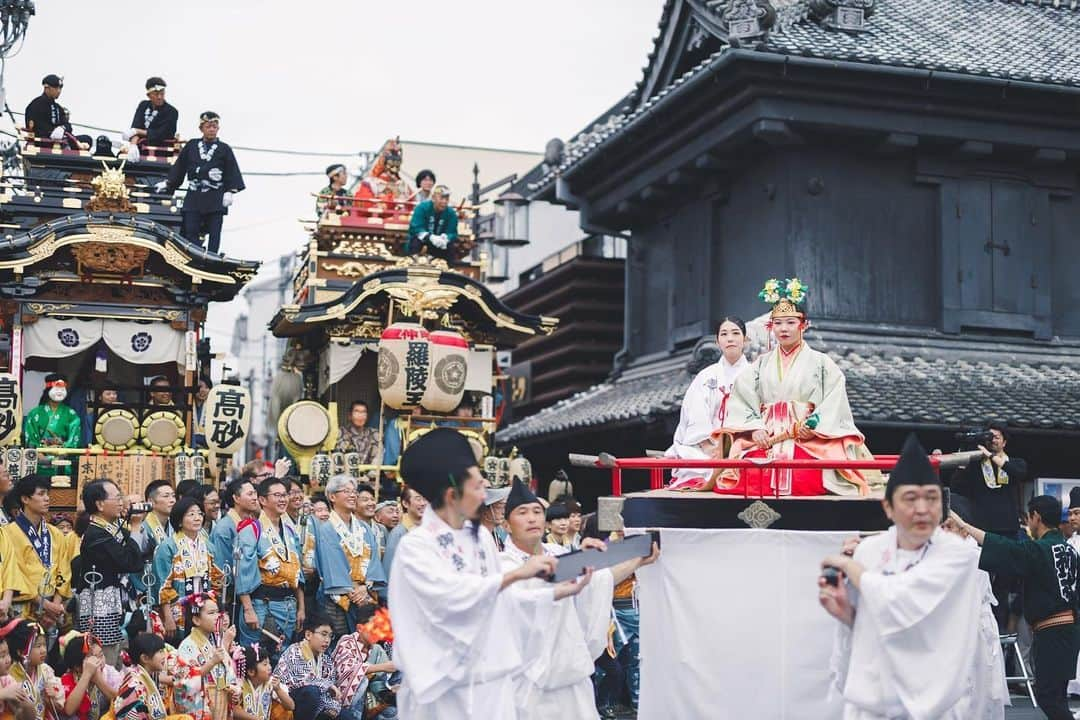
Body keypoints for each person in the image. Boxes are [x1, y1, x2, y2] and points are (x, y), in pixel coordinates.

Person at [388, 428, 591, 719]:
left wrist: (559, 591)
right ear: (452, 494)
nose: (484, 494)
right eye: (477, 486)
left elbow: (504, 601)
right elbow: (449, 599)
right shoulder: (417, 547)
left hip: (492, 683)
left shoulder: (481, 539)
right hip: (445, 691)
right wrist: (516, 574)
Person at [818, 435, 985, 719]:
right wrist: (849, 617)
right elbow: (875, 619)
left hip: (934, 699)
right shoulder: (870, 550)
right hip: (874, 699)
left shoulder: (959, 554)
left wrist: (854, 571)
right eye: (910, 499)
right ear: (888, 507)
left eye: (931, 498)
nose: (922, 509)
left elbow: (902, 599)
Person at [500, 478, 657, 720]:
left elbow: (601, 581)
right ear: (507, 525)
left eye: (537, 512)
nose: (532, 518)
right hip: (527, 680)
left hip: (571, 673)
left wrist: (637, 560)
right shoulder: (504, 565)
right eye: (522, 513)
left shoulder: (562, 555)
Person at [716, 278, 882, 496]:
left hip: (809, 437)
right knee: (749, 476)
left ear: (804, 325)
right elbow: (742, 399)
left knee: (808, 476)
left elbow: (834, 401)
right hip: (768, 436)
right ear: (771, 326)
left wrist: (813, 425)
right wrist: (755, 428)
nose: (783, 329)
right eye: (778, 323)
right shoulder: (759, 366)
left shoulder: (823, 363)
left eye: (791, 322)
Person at [952, 494, 1080, 720]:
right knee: (1057, 696)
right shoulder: (1068, 549)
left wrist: (965, 526)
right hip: (1068, 630)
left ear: (1036, 517)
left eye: (1029, 518)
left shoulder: (1038, 550)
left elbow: (1003, 548)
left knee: (1049, 697)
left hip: (1052, 630)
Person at [939, 495, 1009, 719]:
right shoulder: (947, 555)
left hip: (974, 630)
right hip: (955, 630)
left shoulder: (973, 555)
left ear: (964, 530)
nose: (943, 532)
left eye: (949, 526)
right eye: (940, 527)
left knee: (976, 694)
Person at [666, 317, 751, 490]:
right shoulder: (706, 376)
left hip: (743, 444)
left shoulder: (755, 374)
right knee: (698, 461)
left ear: (745, 339)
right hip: (707, 446)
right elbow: (696, 412)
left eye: (736, 333)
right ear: (718, 341)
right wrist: (709, 445)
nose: (730, 338)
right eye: (724, 334)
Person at [76, 479, 143, 666]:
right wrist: (136, 527)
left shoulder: (110, 528)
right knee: (104, 658)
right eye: (117, 497)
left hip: (113, 605)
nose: (122, 501)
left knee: (118, 657)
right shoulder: (96, 534)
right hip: (99, 608)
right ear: (99, 504)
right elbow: (130, 562)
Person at [310, 475, 385, 639]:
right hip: (336, 596)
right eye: (347, 491)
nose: (353, 495)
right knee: (339, 643)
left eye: (354, 492)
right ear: (332, 497)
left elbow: (374, 560)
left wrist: (365, 587)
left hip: (364, 594)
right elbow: (331, 564)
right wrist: (352, 590)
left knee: (364, 644)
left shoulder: (364, 528)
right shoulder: (326, 528)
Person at [162, 111, 245, 255]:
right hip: (194, 195)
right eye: (208, 126)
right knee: (190, 229)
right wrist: (169, 183)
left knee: (215, 232)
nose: (212, 129)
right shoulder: (192, 145)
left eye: (214, 126)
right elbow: (180, 167)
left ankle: (212, 257)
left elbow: (232, 170)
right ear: (201, 128)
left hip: (215, 196)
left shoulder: (224, 149)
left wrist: (230, 191)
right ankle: (194, 256)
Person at [236, 478, 304, 653]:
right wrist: (248, 609)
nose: (283, 499)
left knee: (282, 658)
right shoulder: (252, 530)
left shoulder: (289, 532)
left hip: (288, 605)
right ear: (263, 500)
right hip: (261, 604)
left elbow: (298, 572)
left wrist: (301, 607)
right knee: (256, 657)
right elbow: (242, 573)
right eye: (277, 495)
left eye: (284, 495)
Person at [0, 475, 71, 629]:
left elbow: (64, 571)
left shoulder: (55, 533)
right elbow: (14, 572)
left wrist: (54, 606)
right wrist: (43, 603)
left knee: (47, 652)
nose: (47, 499)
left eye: (47, 494)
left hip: (52, 608)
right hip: (23, 607)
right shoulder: (9, 533)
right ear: (25, 499)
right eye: (41, 494)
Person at [153, 497, 223, 642]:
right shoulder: (168, 547)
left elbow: (217, 579)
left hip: (203, 607)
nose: (197, 518)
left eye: (199, 514)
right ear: (179, 520)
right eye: (191, 514)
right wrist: (167, 616)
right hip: (178, 609)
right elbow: (162, 585)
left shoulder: (208, 546)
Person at [272, 615, 357, 720]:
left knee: (346, 716)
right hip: (290, 703)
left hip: (318, 705)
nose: (327, 640)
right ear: (308, 635)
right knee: (312, 692)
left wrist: (333, 708)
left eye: (330, 636)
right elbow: (301, 681)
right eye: (323, 634)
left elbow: (331, 692)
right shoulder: (294, 650)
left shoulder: (326, 660)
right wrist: (327, 686)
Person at [170, 593, 237, 719]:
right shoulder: (187, 646)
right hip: (202, 707)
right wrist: (211, 663)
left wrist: (234, 690)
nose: (217, 617)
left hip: (220, 703)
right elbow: (183, 683)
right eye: (211, 613)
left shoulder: (216, 643)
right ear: (196, 620)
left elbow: (229, 676)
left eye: (218, 612)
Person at [331, 604, 397, 719]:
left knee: (393, 712)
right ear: (360, 628)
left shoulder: (377, 650)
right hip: (339, 702)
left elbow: (380, 683)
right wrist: (382, 667)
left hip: (370, 702)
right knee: (362, 680)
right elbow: (349, 671)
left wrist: (392, 690)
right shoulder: (346, 641)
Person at [209, 478, 259, 613]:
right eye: (250, 494)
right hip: (232, 595)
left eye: (255, 493)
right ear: (236, 498)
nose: (255, 498)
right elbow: (222, 568)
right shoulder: (224, 528)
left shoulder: (251, 521)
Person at [24, 374, 82, 478]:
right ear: (48, 389)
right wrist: (40, 456)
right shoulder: (35, 413)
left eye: (62, 389)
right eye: (57, 388)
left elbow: (74, 439)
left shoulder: (71, 414)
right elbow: (31, 439)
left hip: (62, 459)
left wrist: (62, 453)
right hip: (39, 460)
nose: (60, 392)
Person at [111, 632, 180, 720]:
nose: (164, 656)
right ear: (145, 658)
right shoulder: (135, 686)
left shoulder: (148, 673)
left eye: (163, 651)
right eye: (160, 652)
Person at [58, 632, 118, 720]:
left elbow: (121, 703)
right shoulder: (67, 680)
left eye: (101, 655)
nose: (100, 662)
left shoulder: (108, 672)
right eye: (94, 659)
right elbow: (69, 710)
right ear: (77, 667)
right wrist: (87, 674)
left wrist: (98, 681)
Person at [24, 75, 90, 150]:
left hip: (62, 140)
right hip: (44, 142)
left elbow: (68, 125)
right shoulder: (35, 105)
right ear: (46, 88)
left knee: (87, 139)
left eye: (60, 88)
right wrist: (52, 132)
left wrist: (62, 128)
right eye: (56, 88)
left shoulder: (58, 108)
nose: (59, 91)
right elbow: (33, 127)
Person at [233, 643, 294, 720]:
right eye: (265, 664)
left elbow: (291, 706)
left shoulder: (271, 683)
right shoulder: (240, 684)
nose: (270, 667)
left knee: (285, 712)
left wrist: (278, 690)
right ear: (251, 671)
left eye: (269, 663)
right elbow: (234, 710)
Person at [123, 77, 179, 151]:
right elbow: (135, 127)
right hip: (140, 146)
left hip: (161, 150)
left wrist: (138, 131)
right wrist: (133, 144)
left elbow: (161, 134)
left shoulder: (172, 111)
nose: (159, 97)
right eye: (156, 94)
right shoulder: (143, 105)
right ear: (148, 95)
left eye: (162, 94)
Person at [406, 185, 460, 260]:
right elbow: (415, 228)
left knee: (451, 247)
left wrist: (446, 238)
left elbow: (453, 232)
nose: (444, 201)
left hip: (441, 244)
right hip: (422, 242)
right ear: (433, 198)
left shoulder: (451, 213)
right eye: (441, 198)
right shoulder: (422, 208)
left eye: (446, 199)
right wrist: (430, 237)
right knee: (415, 242)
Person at [382, 485, 425, 578]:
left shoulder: (429, 530)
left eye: (425, 499)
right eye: (418, 499)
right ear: (405, 503)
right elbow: (389, 569)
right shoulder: (398, 533)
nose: (423, 503)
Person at [353, 139, 413, 205]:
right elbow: (363, 203)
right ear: (384, 164)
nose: (394, 168)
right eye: (391, 164)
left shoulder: (404, 185)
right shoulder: (370, 183)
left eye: (397, 165)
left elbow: (410, 203)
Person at [0, 621, 35, 720]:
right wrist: (3, 694)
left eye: (7, 654)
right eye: (2, 656)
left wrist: (25, 703)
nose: (8, 660)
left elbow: (29, 718)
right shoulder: (6, 689)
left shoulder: (6, 680)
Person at [334, 401, 379, 465]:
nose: (360, 415)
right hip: (344, 473)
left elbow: (377, 459)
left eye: (363, 412)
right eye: (357, 411)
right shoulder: (340, 432)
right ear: (350, 415)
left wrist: (369, 475)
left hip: (368, 473)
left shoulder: (374, 434)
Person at [480, 486, 510, 552]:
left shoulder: (496, 535)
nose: (503, 512)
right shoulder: (479, 538)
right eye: (499, 507)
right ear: (485, 510)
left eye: (504, 507)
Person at [191, 377, 211, 449]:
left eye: (207, 387)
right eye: (200, 387)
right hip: (189, 446)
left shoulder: (212, 407)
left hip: (207, 447)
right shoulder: (186, 404)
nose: (203, 390)